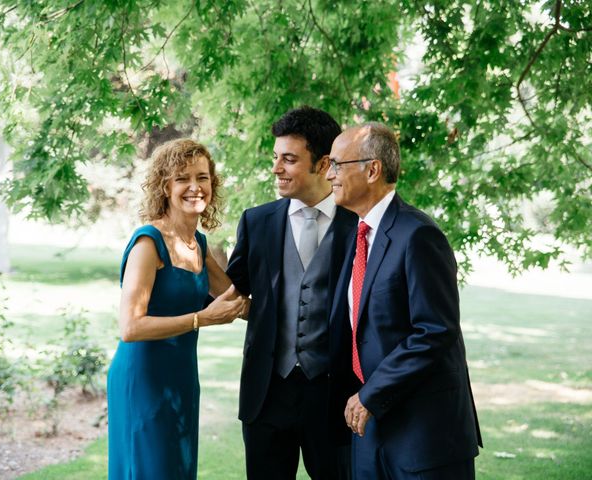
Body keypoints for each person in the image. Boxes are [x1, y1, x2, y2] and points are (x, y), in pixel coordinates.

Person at [326, 122, 482, 479]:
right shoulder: (358, 235)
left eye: (337, 164)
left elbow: (434, 330)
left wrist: (371, 395)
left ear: (372, 169)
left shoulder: (419, 235)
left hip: (425, 436)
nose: (329, 174)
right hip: (370, 430)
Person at [226, 106, 358, 479]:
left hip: (334, 396)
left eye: (288, 159)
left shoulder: (357, 226)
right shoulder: (257, 221)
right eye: (275, 158)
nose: (276, 168)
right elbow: (232, 292)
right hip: (267, 394)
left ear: (322, 164)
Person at [107, 139, 246, 480]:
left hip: (182, 379)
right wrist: (201, 318)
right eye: (183, 178)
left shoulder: (197, 243)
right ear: (165, 186)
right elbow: (130, 327)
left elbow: (234, 298)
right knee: (148, 470)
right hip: (144, 379)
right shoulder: (147, 243)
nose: (195, 187)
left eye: (203, 177)